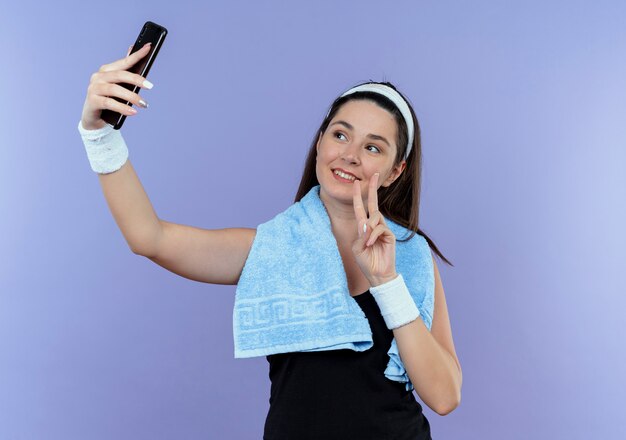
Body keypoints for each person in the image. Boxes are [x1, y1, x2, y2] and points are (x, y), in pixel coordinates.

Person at [78, 44, 462, 439]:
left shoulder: (413, 257)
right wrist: (98, 135)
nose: (349, 155)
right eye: (340, 134)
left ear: (395, 171)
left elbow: (445, 396)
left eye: (372, 147)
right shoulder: (269, 249)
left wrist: (387, 283)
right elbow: (148, 237)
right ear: (320, 143)